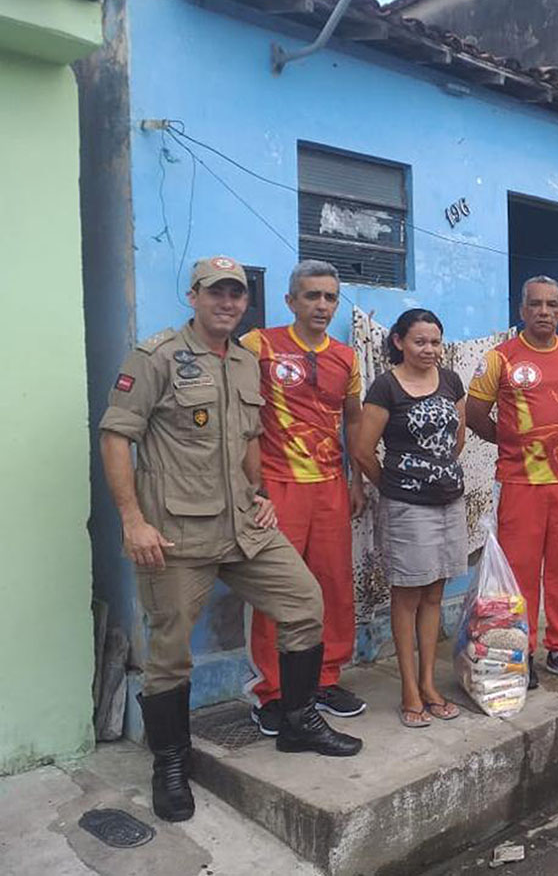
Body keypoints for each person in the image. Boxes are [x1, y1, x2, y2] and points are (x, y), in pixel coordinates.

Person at [99, 256, 362, 825]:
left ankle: (295, 720)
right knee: (170, 654)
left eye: (236, 295)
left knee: (304, 604)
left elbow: (249, 435)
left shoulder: (246, 361)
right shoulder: (157, 357)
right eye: (216, 292)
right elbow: (117, 437)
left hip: (243, 524)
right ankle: (170, 761)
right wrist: (132, 521)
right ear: (194, 295)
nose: (227, 303)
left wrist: (260, 489)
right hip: (175, 534)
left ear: (246, 302)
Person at [240, 260, 368, 737]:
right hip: (278, 485)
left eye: (329, 297)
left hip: (331, 487)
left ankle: (325, 678)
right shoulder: (259, 346)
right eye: (311, 296)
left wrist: (357, 480)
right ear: (290, 301)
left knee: (333, 584)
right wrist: (254, 487)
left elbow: (352, 420)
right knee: (277, 589)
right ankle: (272, 693)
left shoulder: (346, 358)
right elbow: (244, 421)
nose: (321, 305)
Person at [466, 275, 558, 689]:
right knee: (518, 573)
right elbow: (474, 414)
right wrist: (510, 441)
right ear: (522, 310)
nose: (544, 311)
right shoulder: (499, 359)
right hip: (518, 483)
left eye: (552, 305)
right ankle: (517, 655)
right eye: (536, 304)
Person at [353, 308, 467, 727]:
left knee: (435, 595)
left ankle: (429, 683)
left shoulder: (451, 380)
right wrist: (397, 483)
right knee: (407, 597)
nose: (429, 349)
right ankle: (408, 690)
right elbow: (364, 450)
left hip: (449, 502)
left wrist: (439, 473)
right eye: (420, 341)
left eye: (435, 342)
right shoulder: (385, 387)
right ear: (399, 342)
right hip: (406, 507)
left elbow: (458, 435)